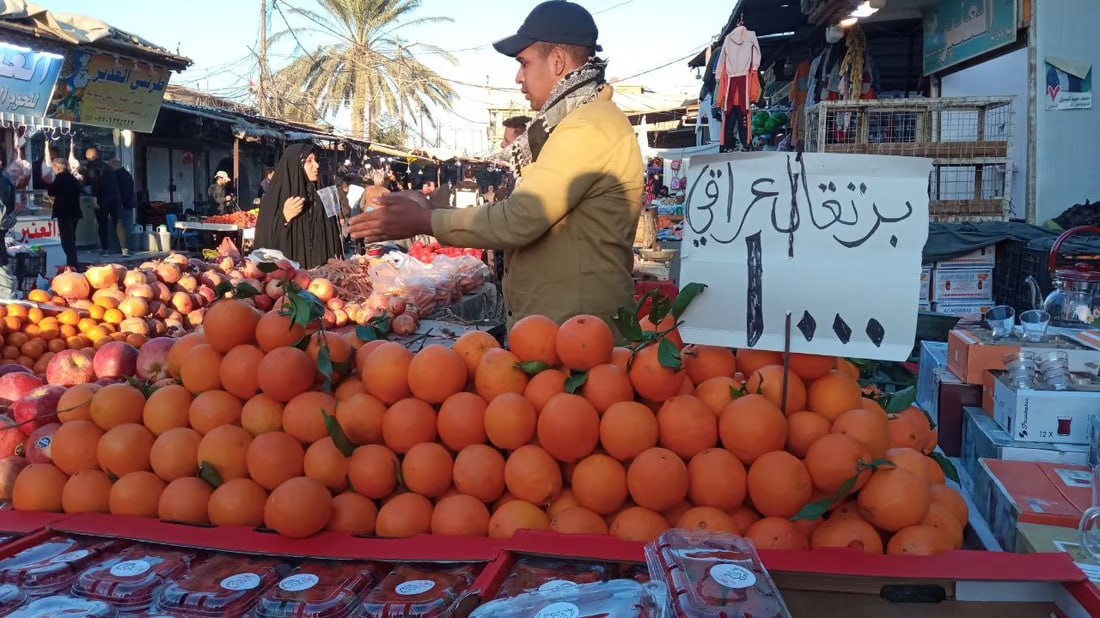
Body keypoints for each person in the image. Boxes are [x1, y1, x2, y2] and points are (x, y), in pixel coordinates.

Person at [349, 0, 643, 331]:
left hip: (579, 336)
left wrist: (427, 220)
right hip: (561, 330)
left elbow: (520, 218)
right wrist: (430, 209)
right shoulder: (574, 122)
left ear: (557, 61)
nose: (518, 77)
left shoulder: (587, 125)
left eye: (524, 63)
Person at [254, 143, 343, 269]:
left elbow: (333, 235)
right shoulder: (274, 199)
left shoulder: (322, 194)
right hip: (289, 275)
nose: (316, 165)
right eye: (309, 161)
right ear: (295, 166)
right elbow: (263, 241)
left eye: (316, 160)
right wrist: (284, 218)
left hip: (322, 274)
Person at [81, 146, 122, 256]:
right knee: (116, 222)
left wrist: (94, 197)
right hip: (114, 198)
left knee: (102, 223)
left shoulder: (92, 166)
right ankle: (121, 248)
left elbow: (95, 182)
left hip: (102, 198)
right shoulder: (106, 166)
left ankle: (105, 248)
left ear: (88, 156)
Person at [47, 159, 83, 268]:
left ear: (57, 168)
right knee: (71, 239)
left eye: (53, 168)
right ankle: (72, 263)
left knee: (67, 241)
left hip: (64, 213)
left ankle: (72, 265)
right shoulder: (73, 178)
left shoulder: (60, 178)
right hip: (74, 212)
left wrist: (49, 182)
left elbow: (51, 191)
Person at [110, 159, 137, 256]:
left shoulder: (116, 176)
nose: (110, 168)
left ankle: (119, 248)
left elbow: (118, 192)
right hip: (128, 204)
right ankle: (126, 248)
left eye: (111, 166)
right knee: (126, 227)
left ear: (115, 165)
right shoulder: (128, 175)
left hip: (120, 205)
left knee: (118, 227)